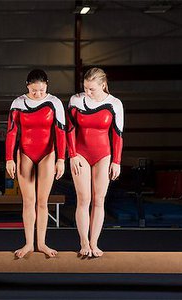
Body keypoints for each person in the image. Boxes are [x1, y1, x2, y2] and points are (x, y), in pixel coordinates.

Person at [5, 69, 66, 258]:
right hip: (25, 153)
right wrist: (8, 158)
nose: (38, 94)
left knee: (42, 202)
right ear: (27, 86)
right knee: (28, 201)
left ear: (46, 85)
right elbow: (12, 132)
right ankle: (29, 243)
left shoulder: (55, 103)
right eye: (34, 91)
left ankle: (42, 243)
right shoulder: (18, 103)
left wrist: (61, 159)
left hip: (48, 153)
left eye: (41, 90)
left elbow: (61, 133)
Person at [67, 67, 124, 257]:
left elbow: (117, 135)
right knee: (84, 199)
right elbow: (69, 130)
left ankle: (94, 243)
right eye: (85, 88)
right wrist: (72, 155)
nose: (87, 92)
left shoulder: (115, 103)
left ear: (103, 85)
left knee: (99, 200)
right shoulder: (76, 100)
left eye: (92, 89)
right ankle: (83, 242)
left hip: (103, 155)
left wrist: (116, 161)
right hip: (80, 153)